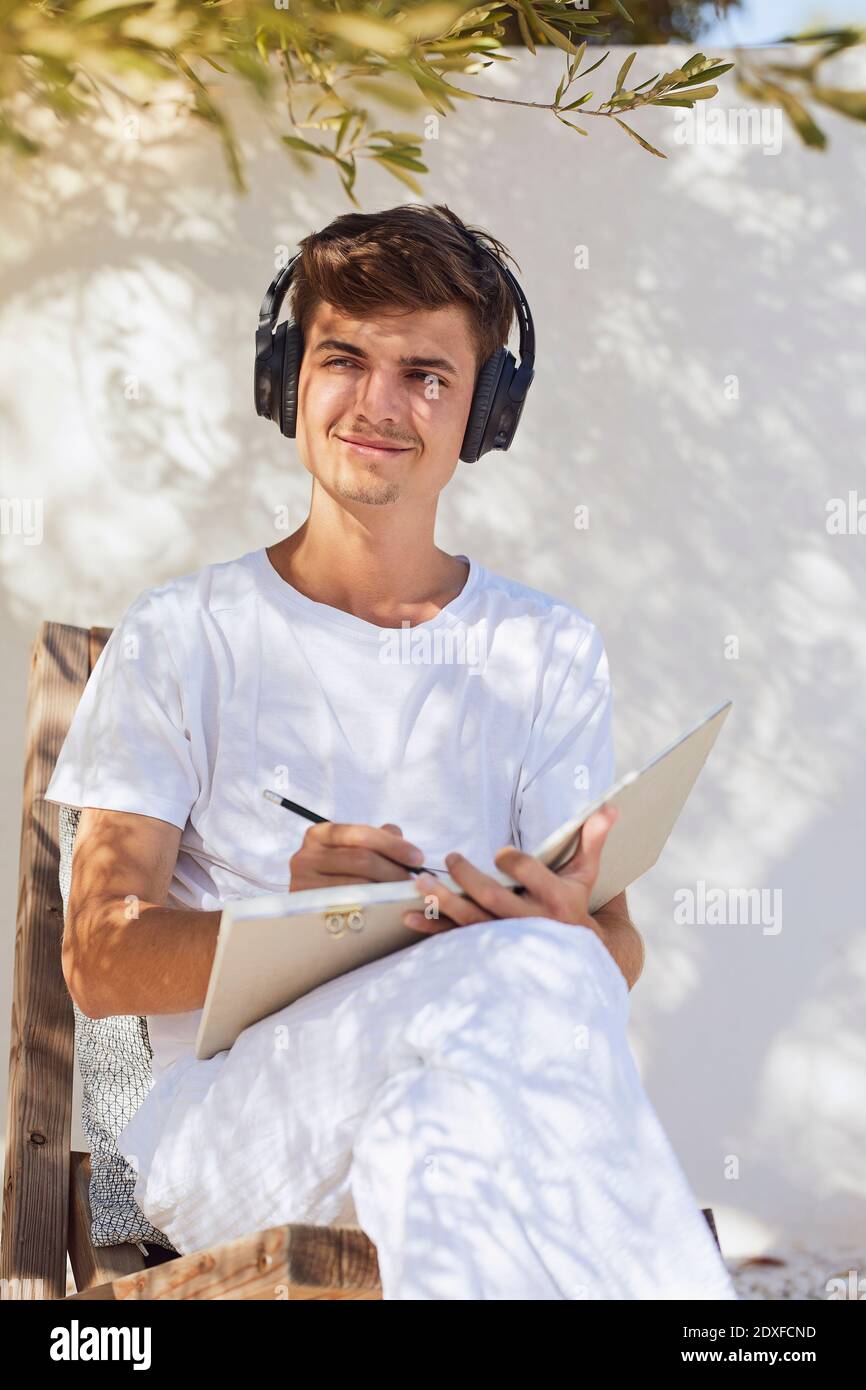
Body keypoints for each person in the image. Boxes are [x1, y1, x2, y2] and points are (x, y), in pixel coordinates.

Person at [44, 202, 737, 1300]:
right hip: (229, 1128)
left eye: (424, 372)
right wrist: (289, 917)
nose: (376, 402)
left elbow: (604, 952)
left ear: (483, 412)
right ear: (286, 379)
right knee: (526, 976)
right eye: (342, 358)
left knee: (446, 1120)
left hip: (466, 1084)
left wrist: (556, 931)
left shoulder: (547, 647)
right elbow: (100, 957)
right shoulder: (184, 634)